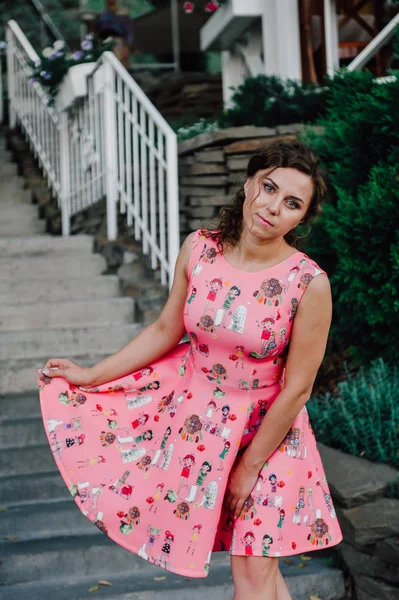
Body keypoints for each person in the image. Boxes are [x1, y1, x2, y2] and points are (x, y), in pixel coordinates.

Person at [38, 139, 343, 600]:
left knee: (253, 576)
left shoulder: (308, 283)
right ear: (247, 185)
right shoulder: (200, 249)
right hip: (200, 428)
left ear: (301, 218)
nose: (273, 206)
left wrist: (249, 466)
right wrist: (93, 375)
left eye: (292, 203)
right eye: (269, 188)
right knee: (262, 578)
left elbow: (298, 389)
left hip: (272, 435)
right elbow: (165, 329)